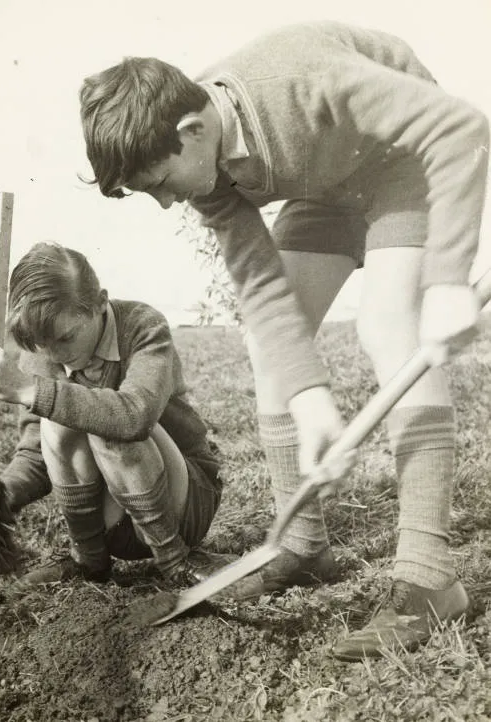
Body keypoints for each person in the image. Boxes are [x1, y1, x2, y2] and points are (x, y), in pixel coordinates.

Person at [78, 21, 489, 659]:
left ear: (192, 132)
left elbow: (461, 128)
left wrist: (446, 283)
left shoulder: (306, 82)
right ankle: (302, 544)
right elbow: (265, 294)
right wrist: (310, 398)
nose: (165, 203)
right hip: (327, 186)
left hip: (402, 157)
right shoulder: (204, 163)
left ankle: (430, 577)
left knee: (390, 328)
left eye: (159, 183)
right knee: (271, 351)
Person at [0, 241, 238, 593]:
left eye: (66, 337)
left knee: (108, 420)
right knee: (59, 423)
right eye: (42, 344)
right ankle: (89, 561)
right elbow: (39, 453)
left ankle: (175, 561)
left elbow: (135, 417)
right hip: (111, 528)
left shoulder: (142, 326)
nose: (55, 354)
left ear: (99, 303)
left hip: (183, 507)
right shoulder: (43, 349)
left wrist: (30, 391)